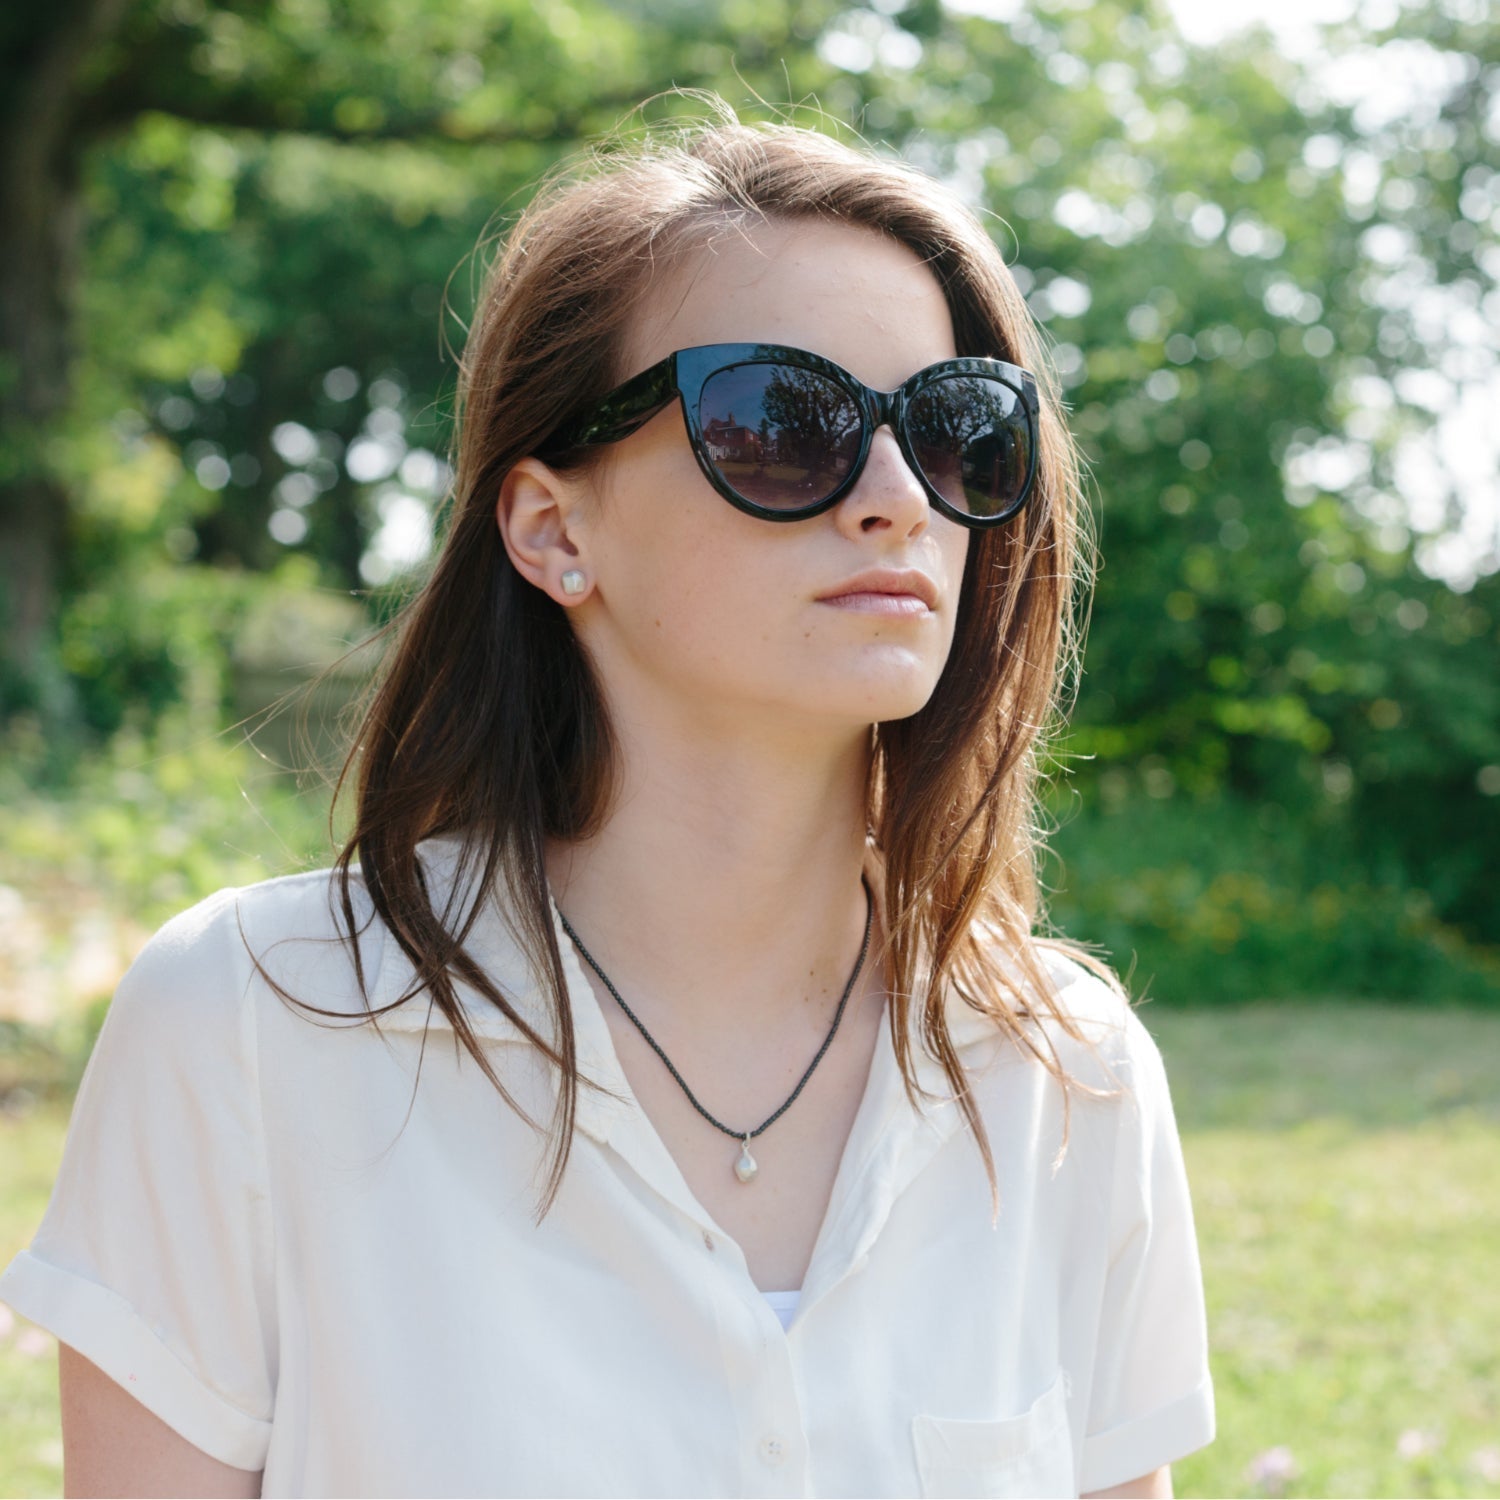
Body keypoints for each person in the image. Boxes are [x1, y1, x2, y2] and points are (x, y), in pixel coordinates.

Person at [0, 99, 1214, 1498]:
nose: (896, 497)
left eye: (955, 432)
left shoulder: (1067, 1073)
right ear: (552, 527)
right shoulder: (256, 1021)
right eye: (778, 420)